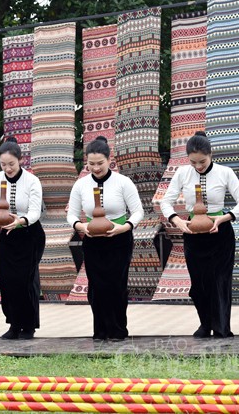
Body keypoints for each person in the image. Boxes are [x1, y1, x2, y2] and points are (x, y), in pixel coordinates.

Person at [160, 131, 239, 339]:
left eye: (202, 161)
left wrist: (223, 218)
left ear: (211, 154)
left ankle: (221, 328)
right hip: (194, 232)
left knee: (220, 281)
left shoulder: (224, 172)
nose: (198, 166)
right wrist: (178, 220)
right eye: (193, 162)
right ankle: (204, 324)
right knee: (199, 283)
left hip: (221, 233)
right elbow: (165, 202)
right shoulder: (182, 173)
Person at [67, 136, 143, 341]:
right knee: (96, 287)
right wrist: (80, 226)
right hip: (93, 241)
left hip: (119, 240)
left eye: (100, 163)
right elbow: (72, 214)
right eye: (91, 164)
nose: (96, 168)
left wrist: (124, 227)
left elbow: (138, 212)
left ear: (110, 160)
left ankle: (118, 330)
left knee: (116, 285)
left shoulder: (123, 182)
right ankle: (100, 331)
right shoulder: (81, 185)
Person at [0, 136, 44, 340]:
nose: (8, 168)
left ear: (20, 160)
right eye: (3, 165)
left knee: (26, 281)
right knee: (8, 281)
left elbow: (35, 212)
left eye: (11, 164)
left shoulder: (32, 181)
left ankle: (28, 325)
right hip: (7, 236)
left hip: (29, 234)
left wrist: (20, 221)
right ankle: (13, 324)